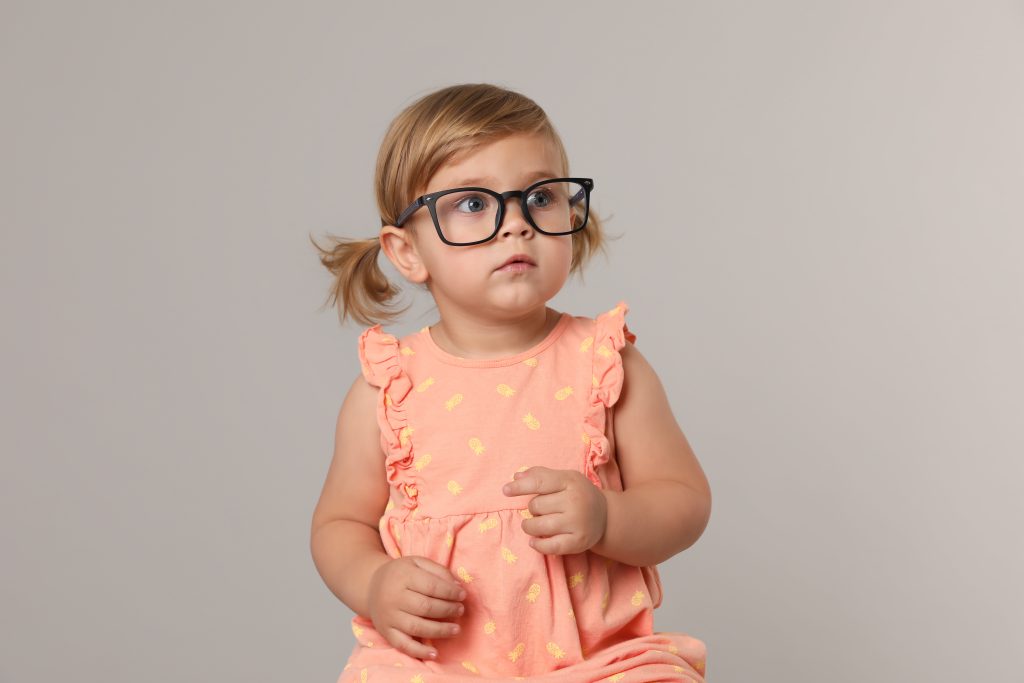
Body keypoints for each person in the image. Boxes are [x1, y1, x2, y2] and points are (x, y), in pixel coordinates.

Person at [309, 83, 711, 682]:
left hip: (595, 664)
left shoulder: (606, 364)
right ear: (407, 251)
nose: (517, 224)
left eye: (540, 197)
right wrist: (373, 581)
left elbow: (684, 501)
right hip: (437, 666)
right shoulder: (388, 390)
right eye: (473, 203)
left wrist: (607, 518)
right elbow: (338, 525)